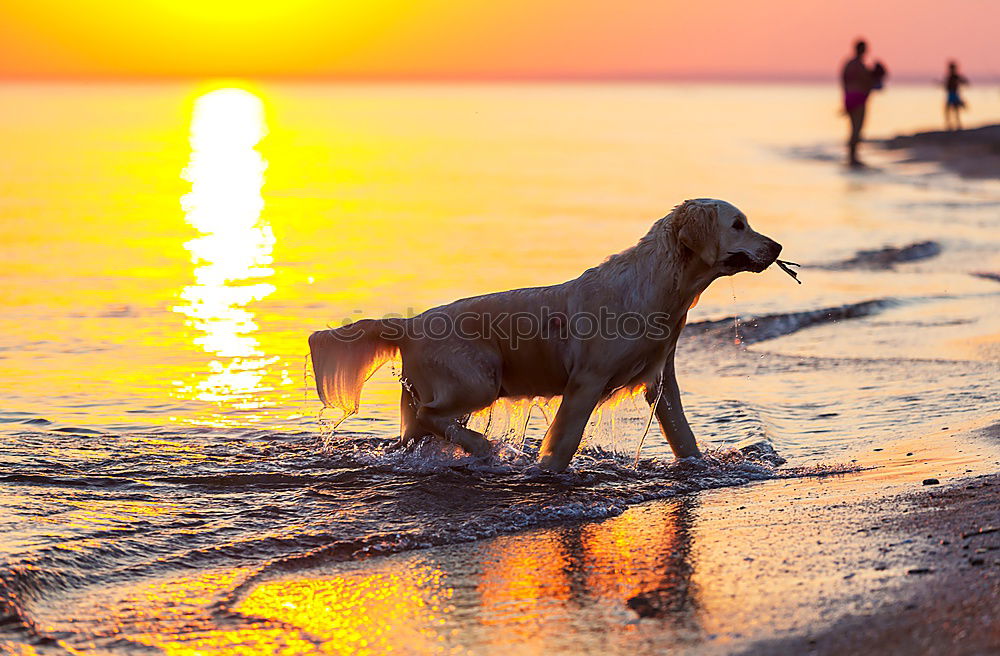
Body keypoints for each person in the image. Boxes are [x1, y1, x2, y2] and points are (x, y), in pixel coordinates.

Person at [840, 39, 886, 167]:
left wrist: (844, 101)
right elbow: (868, 82)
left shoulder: (848, 64)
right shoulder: (859, 66)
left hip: (849, 98)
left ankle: (852, 155)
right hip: (859, 98)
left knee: (853, 128)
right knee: (857, 128)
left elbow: (843, 83)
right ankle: (853, 157)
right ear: (863, 50)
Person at [944, 61, 969, 131]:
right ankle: (951, 125)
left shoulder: (955, 76)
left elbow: (964, 82)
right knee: (950, 110)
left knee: (954, 110)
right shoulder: (950, 76)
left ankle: (957, 125)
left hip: (954, 95)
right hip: (951, 94)